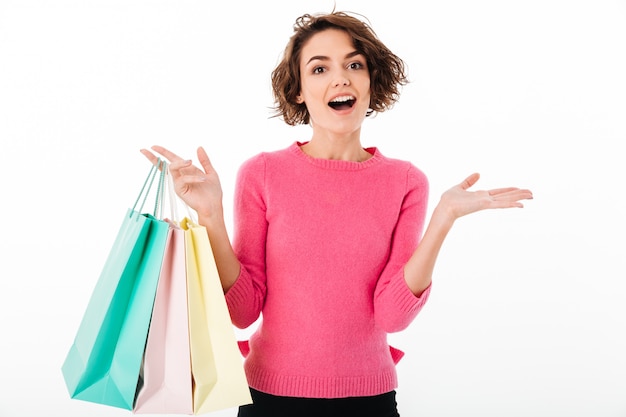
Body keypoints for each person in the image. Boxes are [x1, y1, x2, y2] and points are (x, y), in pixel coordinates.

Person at [141, 10, 533, 417]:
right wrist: (211, 217)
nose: (340, 77)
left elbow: (393, 315)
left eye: (354, 64)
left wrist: (444, 217)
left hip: (369, 402)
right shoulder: (261, 174)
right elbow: (242, 312)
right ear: (299, 91)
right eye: (319, 68)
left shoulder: (406, 182)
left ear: (369, 81)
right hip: (269, 399)